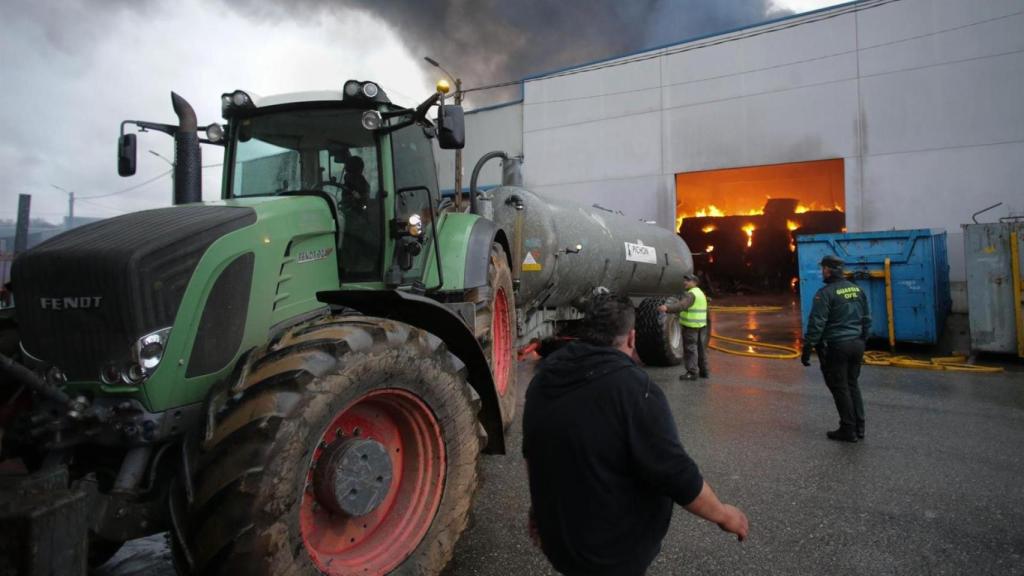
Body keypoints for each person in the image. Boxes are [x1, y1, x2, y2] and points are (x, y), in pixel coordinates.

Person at [523, 292, 748, 576]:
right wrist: (724, 514)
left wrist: (539, 511)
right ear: (631, 338)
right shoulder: (636, 390)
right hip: (613, 554)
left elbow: (532, 451)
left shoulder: (544, 377)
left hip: (560, 540)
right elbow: (676, 472)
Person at [800, 255, 872, 443]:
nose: (822, 272)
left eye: (823, 268)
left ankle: (848, 429)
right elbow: (866, 318)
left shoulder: (825, 293)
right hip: (857, 343)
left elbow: (817, 324)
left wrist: (808, 347)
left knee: (840, 387)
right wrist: (862, 339)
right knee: (852, 384)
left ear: (828, 270)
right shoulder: (857, 289)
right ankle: (859, 426)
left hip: (837, 346)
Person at [658, 272, 709, 380]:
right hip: (701, 325)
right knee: (700, 349)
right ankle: (704, 371)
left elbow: (682, 305)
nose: (684, 282)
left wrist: (667, 308)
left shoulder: (691, 294)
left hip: (691, 326)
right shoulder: (700, 292)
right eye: (684, 280)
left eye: (688, 280)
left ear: (694, 282)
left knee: (690, 349)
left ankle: (692, 372)